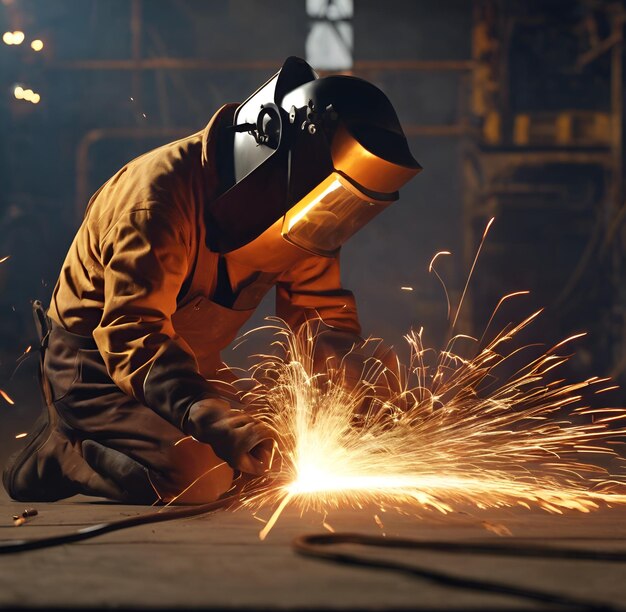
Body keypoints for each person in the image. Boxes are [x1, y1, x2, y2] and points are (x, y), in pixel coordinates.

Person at [3, 57, 421, 505]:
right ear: (268, 156)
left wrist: (357, 379)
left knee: (272, 459)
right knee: (199, 478)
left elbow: (319, 320)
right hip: (96, 371)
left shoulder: (306, 206)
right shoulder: (158, 200)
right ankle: (66, 452)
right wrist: (206, 414)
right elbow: (132, 331)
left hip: (185, 366)